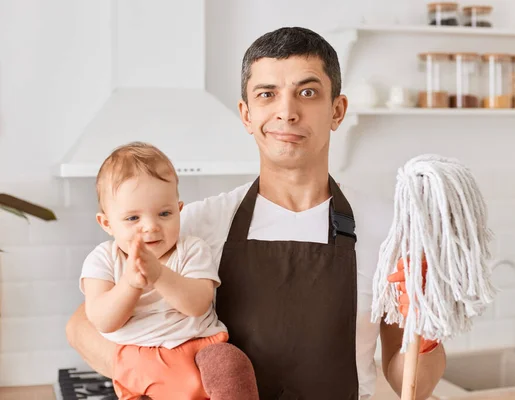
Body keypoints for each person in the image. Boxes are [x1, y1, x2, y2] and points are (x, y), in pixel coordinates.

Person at [67, 27, 446, 399]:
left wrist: (425, 328)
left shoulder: (388, 231)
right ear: (246, 115)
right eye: (267, 94)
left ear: (337, 110)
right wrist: (155, 374)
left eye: (307, 92)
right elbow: (81, 326)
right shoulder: (196, 224)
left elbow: (412, 384)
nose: (287, 112)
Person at [78, 142, 258, 399]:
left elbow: (197, 304)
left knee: (229, 361)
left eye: (164, 213)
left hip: (199, 349)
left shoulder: (192, 249)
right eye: (133, 218)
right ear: (107, 223)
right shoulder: (102, 260)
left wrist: (160, 276)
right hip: (138, 361)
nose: (151, 227)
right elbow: (102, 319)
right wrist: (130, 283)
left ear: (180, 211)